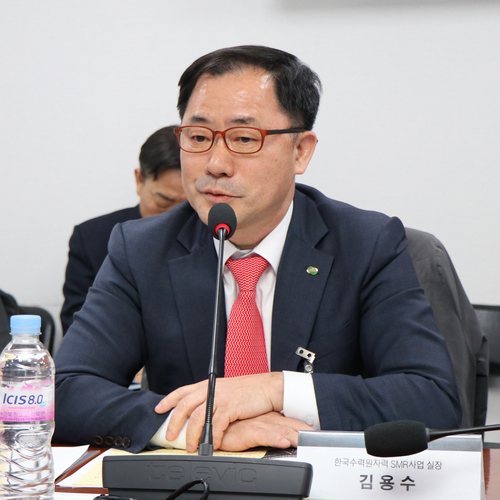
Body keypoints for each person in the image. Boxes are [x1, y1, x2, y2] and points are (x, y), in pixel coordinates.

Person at [54, 45, 461, 454]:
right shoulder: (141, 249)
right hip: (190, 478)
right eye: (198, 137)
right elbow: (65, 390)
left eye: (244, 139)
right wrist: (202, 427)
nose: (215, 164)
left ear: (300, 151)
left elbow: (431, 399)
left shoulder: (366, 244)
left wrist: (274, 389)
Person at [60, 125, 186, 334]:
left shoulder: (217, 237)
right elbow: (78, 328)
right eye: (164, 202)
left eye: (187, 206)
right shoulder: (92, 238)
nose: (175, 216)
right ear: (139, 180)